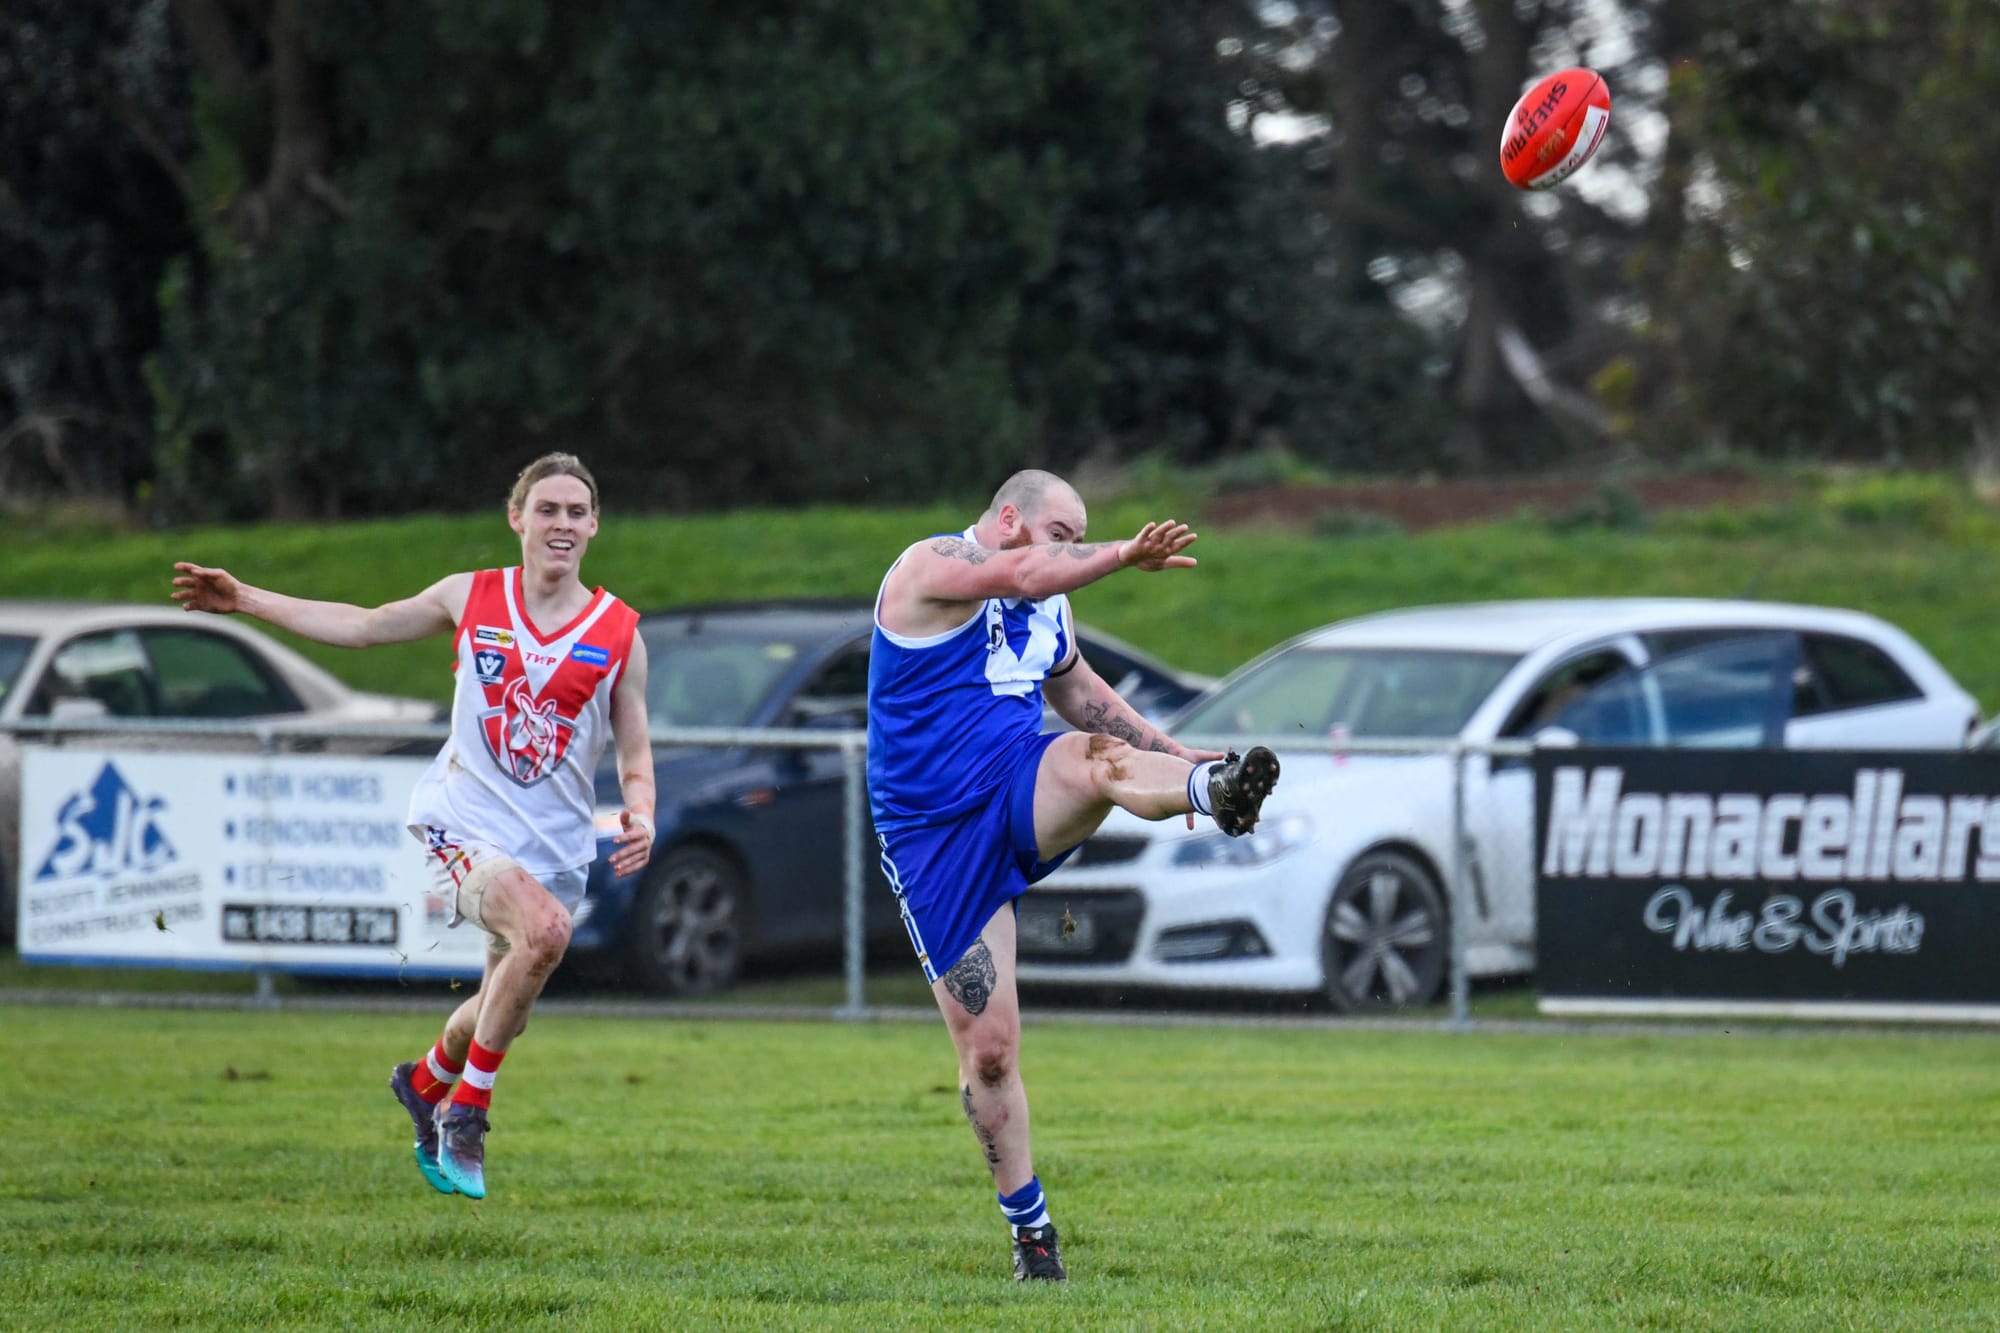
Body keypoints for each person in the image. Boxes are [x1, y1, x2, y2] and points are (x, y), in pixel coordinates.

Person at [169, 452, 655, 1201]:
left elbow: (634, 746)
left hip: (553, 850)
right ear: (516, 517)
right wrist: (246, 599)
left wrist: (641, 810)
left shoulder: (619, 630)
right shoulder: (471, 595)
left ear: (594, 526)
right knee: (548, 931)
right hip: (461, 823)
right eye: (547, 508)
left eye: (576, 511)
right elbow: (363, 626)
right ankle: (466, 1113)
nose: (562, 522)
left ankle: (425, 1079)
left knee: (505, 1013)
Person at [867, 469, 1280, 1281]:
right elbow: (1022, 572)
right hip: (931, 837)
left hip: (1018, 782)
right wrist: (1125, 552)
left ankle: (1214, 795)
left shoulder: (1049, 599)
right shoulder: (932, 564)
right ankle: (1034, 1239)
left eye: (1083, 536)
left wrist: (1177, 758)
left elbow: (1082, 691)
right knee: (989, 1050)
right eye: (1065, 532)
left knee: (1097, 761)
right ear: (1010, 517)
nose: (1074, 548)